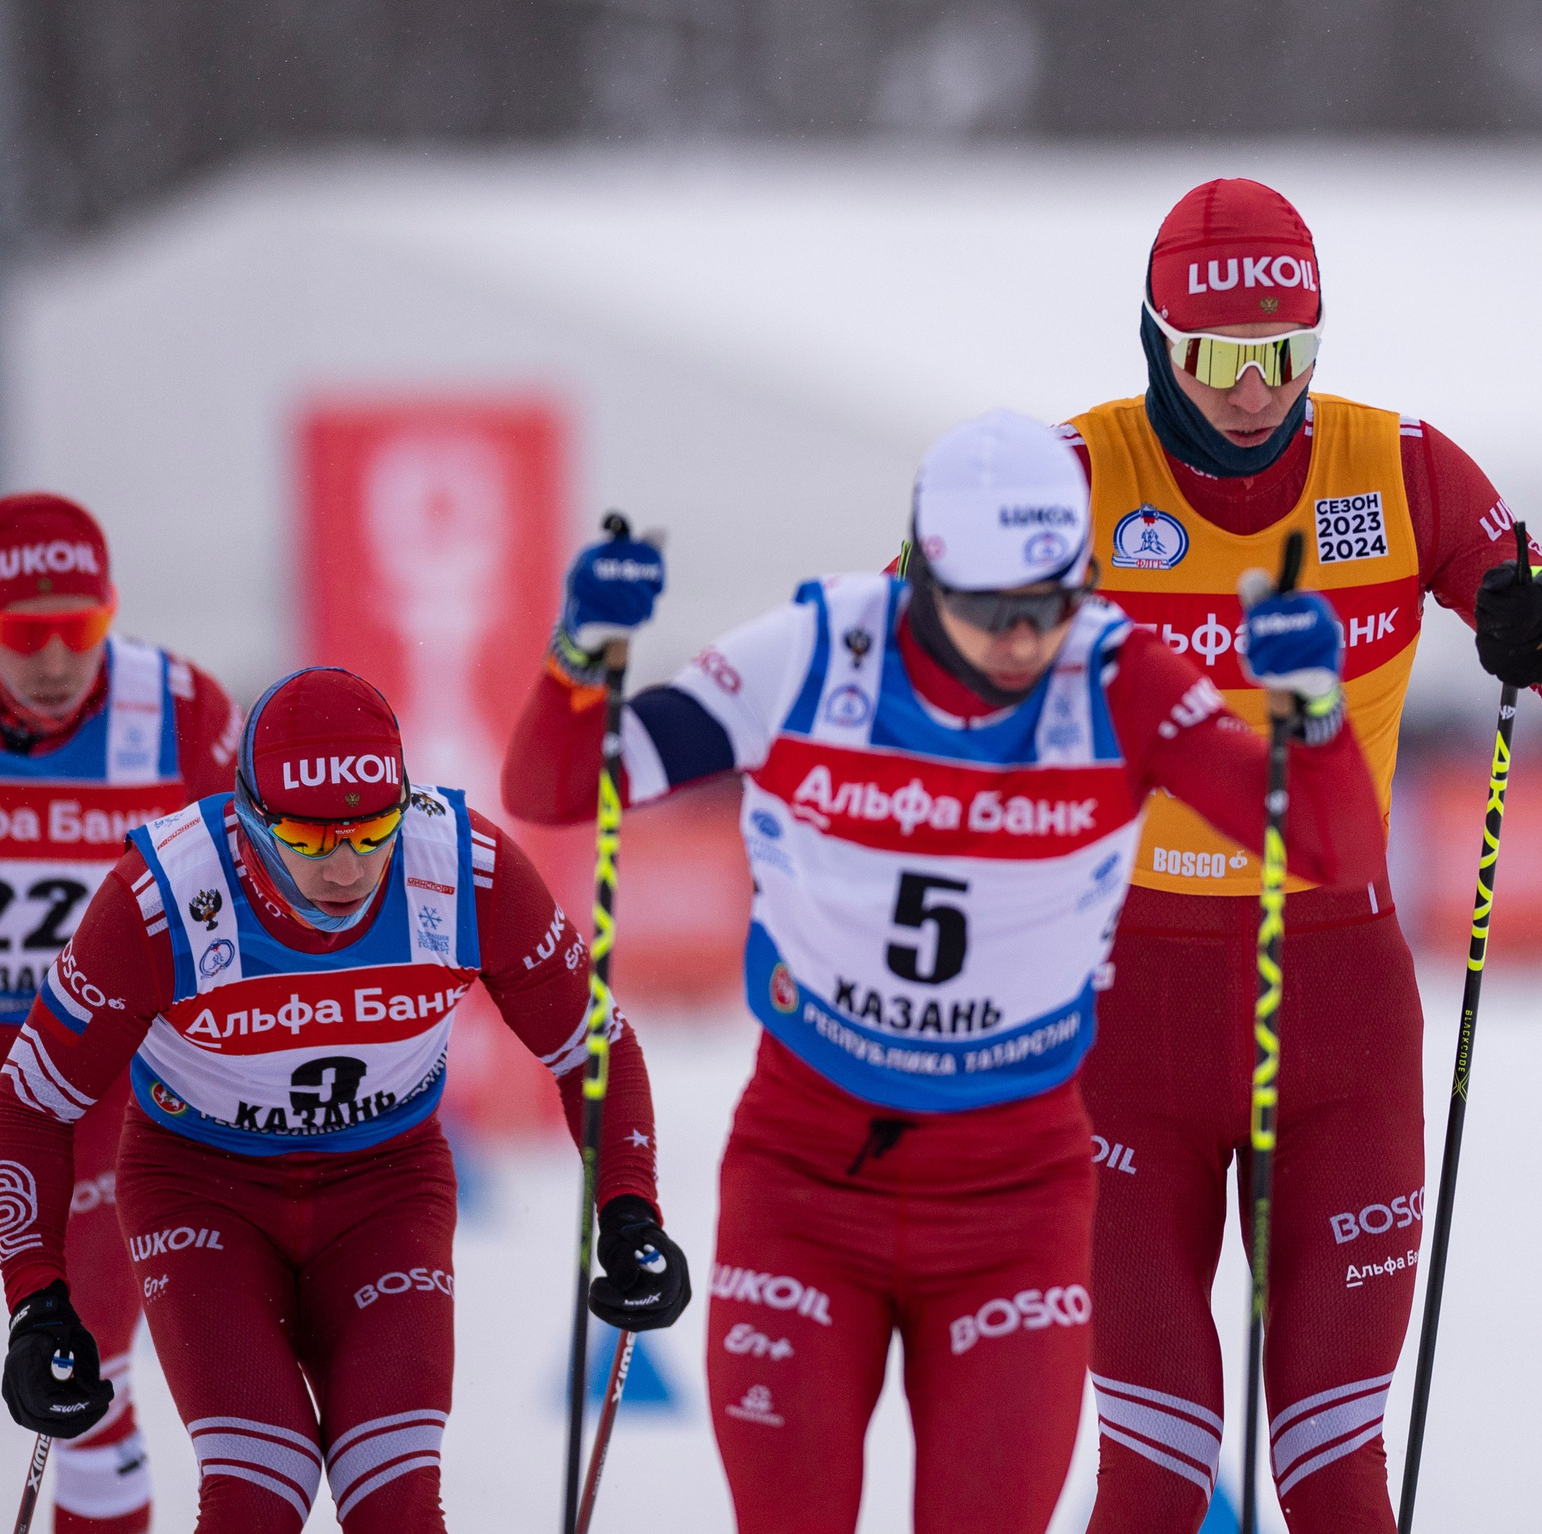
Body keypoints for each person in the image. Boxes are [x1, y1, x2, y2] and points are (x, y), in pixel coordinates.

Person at [501, 410, 1390, 1533]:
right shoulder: (815, 652)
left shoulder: (1114, 676)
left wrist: (1311, 714)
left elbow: (1330, 849)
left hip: (1014, 1198)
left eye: (1050, 602)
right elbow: (555, 785)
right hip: (807, 1178)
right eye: (987, 611)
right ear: (924, 578)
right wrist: (581, 651)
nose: (1021, 642)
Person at [1061, 177, 1542, 1531]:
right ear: (1156, 338)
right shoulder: (1070, 479)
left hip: (1339, 1005)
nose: (1255, 390)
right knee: (1151, 1471)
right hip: (1122, 1013)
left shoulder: (1405, 467)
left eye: (1288, 355)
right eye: (1216, 357)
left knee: (1334, 1469)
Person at [0, 666, 684, 1533]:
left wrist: (630, 1211)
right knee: (259, 1484)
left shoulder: (460, 869)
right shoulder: (167, 894)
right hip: (203, 1189)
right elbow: (31, 1102)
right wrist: (36, 1299)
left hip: (384, 1186)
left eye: (370, 829)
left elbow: (596, 1045)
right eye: (309, 836)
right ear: (248, 816)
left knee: (393, 1496)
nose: (348, 865)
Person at [0, 493, 243, 1534]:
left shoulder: (181, 709)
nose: (56, 661)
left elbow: (248, 882)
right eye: (23, 634)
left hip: (96, 1065)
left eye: (81, 630)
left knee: (84, 1372)